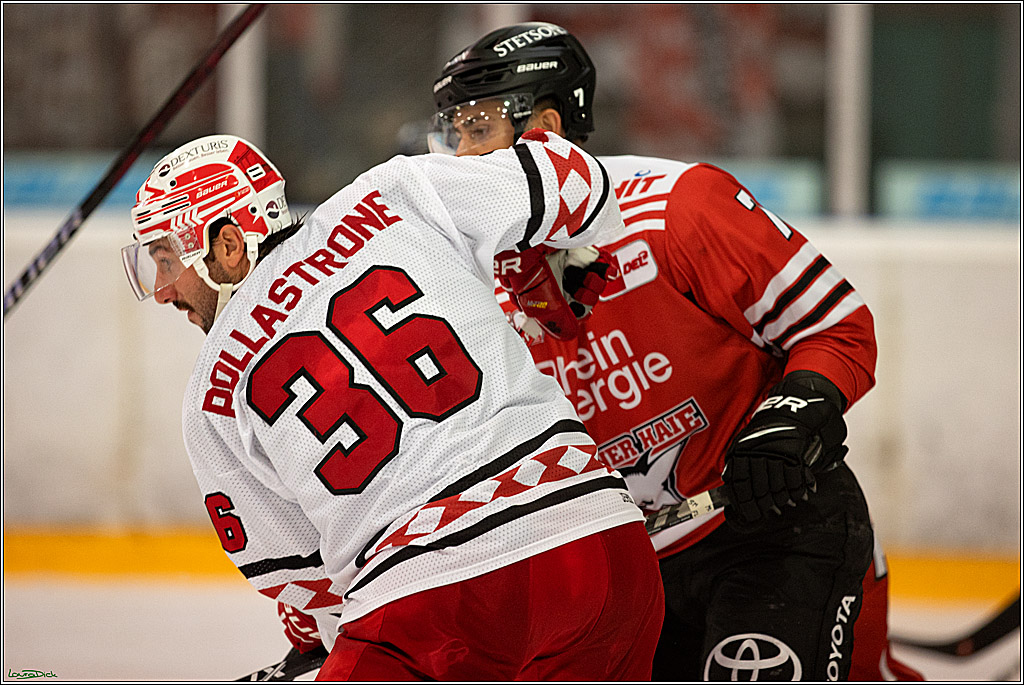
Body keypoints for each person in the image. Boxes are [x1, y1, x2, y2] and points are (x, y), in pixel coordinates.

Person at [429, 21, 925, 681]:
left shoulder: (677, 208)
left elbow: (838, 326)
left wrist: (795, 408)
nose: (459, 156)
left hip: (768, 531)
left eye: (479, 129)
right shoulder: (465, 274)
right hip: (625, 572)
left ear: (544, 129)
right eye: (454, 132)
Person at [119, 132, 664, 680]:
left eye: (166, 260)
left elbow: (305, 581)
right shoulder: (394, 191)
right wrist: (542, 252)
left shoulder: (212, 393)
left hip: (433, 606)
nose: (162, 290)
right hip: (603, 549)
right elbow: (575, 178)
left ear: (229, 245)